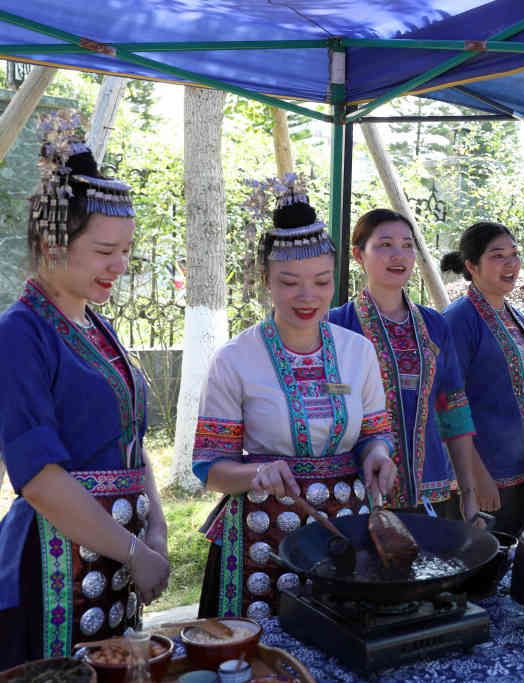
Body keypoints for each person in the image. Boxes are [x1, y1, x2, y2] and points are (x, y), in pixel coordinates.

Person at [0, 120, 169, 668]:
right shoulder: (20, 334)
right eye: (104, 251)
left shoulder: (95, 326)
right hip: (52, 565)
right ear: (53, 244)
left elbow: (131, 440)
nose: (119, 265)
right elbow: (39, 478)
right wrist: (134, 548)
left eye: (125, 250)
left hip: (114, 559)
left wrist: (157, 526)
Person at [193, 181, 396, 619]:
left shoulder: (357, 351)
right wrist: (257, 473)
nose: (308, 296)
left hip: (345, 527)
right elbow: (211, 468)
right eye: (289, 282)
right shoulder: (235, 359)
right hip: (263, 535)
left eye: (322, 281)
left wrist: (379, 453)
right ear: (264, 279)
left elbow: (376, 432)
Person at [328, 209, 481, 522]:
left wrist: (468, 491)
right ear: (359, 254)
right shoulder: (336, 326)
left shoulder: (434, 325)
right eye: (384, 245)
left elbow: (453, 408)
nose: (398, 255)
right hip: (358, 492)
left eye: (407, 245)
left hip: (434, 489)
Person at [442, 222, 524, 534]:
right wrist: (475, 476)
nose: (511, 263)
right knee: (482, 570)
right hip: (483, 473)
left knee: (521, 565)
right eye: (498, 255)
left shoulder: (515, 315)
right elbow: (446, 402)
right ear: (472, 266)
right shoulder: (459, 320)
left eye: (514, 254)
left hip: (521, 467)